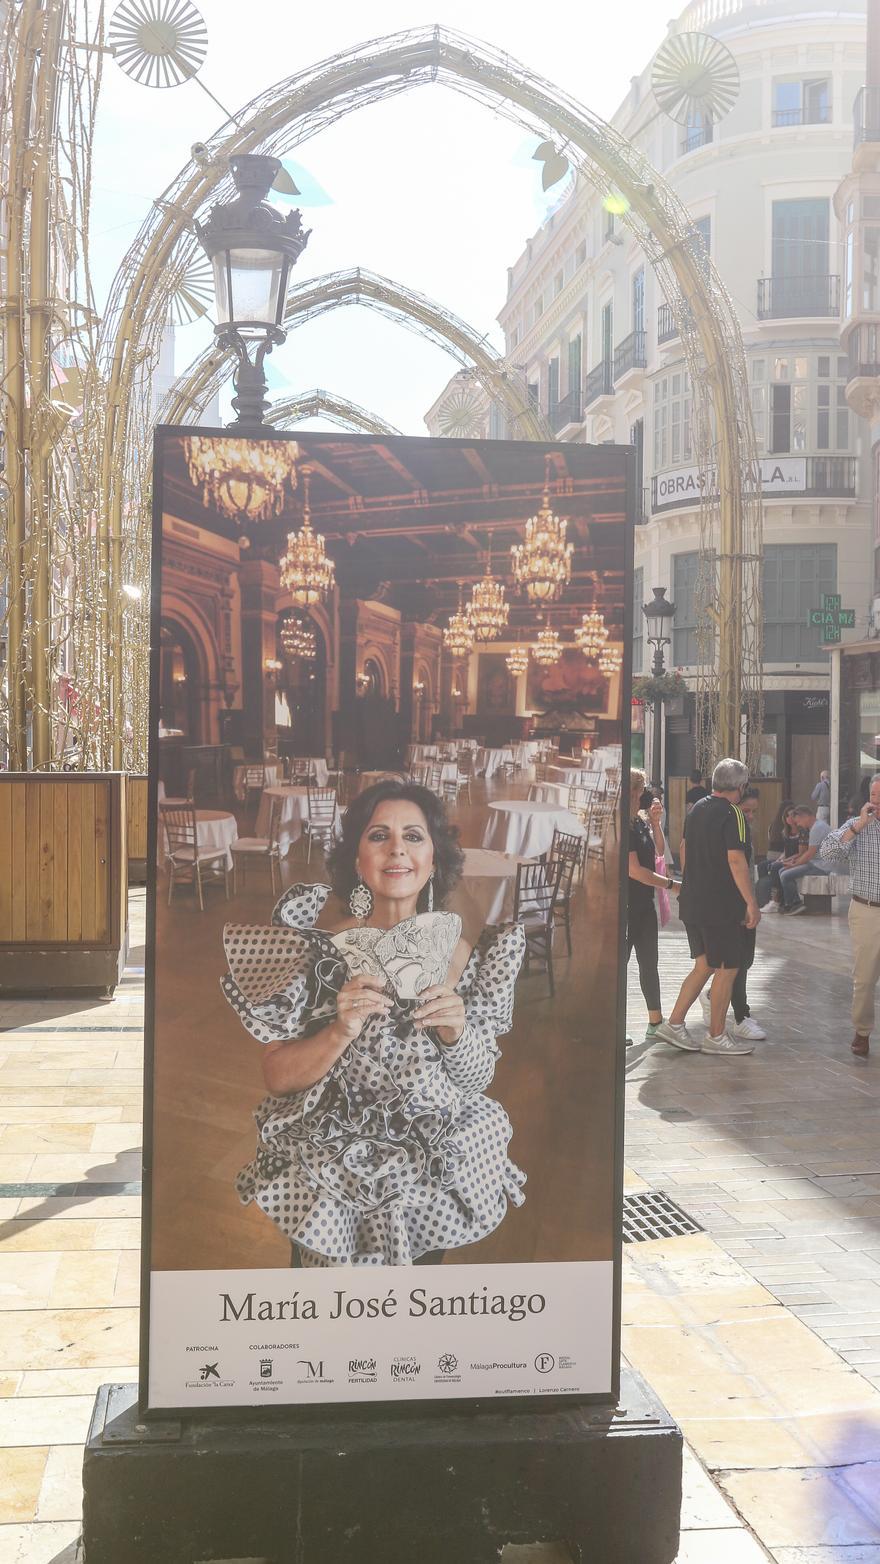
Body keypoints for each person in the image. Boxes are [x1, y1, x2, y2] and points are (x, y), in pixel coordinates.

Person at [221, 781, 527, 1266]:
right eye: (379, 835)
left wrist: (456, 1032)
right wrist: (339, 1029)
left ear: (433, 860)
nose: (397, 849)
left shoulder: (465, 956)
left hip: (427, 1174)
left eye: (414, 836)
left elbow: (477, 1078)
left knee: (411, 1316)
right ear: (357, 860)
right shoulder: (317, 954)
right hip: (334, 1172)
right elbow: (278, 1077)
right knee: (328, 1313)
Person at [654, 758, 761, 1056]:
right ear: (740, 787)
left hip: (692, 901)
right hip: (721, 906)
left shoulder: (697, 808)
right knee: (728, 968)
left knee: (705, 965)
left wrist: (695, 881)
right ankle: (716, 1035)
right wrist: (751, 902)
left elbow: (685, 847)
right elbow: (736, 859)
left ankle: (674, 1024)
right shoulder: (733, 813)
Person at [820, 773, 880, 1057]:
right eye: (874, 795)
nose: (876, 801)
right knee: (865, 978)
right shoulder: (858, 827)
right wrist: (858, 826)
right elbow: (828, 852)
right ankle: (862, 1031)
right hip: (867, 909)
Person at [699, 788, 766, 1042]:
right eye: (746, 810)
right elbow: (735, 866)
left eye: (753, 812)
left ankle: (712, 997)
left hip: (745, 903)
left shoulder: (747, 831)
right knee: (734, 962)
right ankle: (740, 1016)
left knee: (743, 961)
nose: (749, 816)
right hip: (731, 905)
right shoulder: (724, 828)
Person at [627, 769, 680, 1043]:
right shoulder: (622, 825)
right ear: (633, 792)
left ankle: (655, 1021)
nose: (646, 794)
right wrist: (672, 885)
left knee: (649, 963)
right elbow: (634, 871)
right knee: (619, 966)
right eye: (642, 789)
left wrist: (656, 822)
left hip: (645, 906)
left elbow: (659, 852)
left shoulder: (639, 823)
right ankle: (613, 1025)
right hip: (624, 907)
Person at [773, 802, 832, 914]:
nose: (798, 824)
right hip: (816, 862)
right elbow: (808, 854)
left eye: (798, 821)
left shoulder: (817, 828)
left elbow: (809, 854)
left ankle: (795, 904)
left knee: (785, 874)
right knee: (782, 870)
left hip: (822, 866)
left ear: (804, 816)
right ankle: (791, 903)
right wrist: (793, 863)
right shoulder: (817, 826)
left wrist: (794, 864)